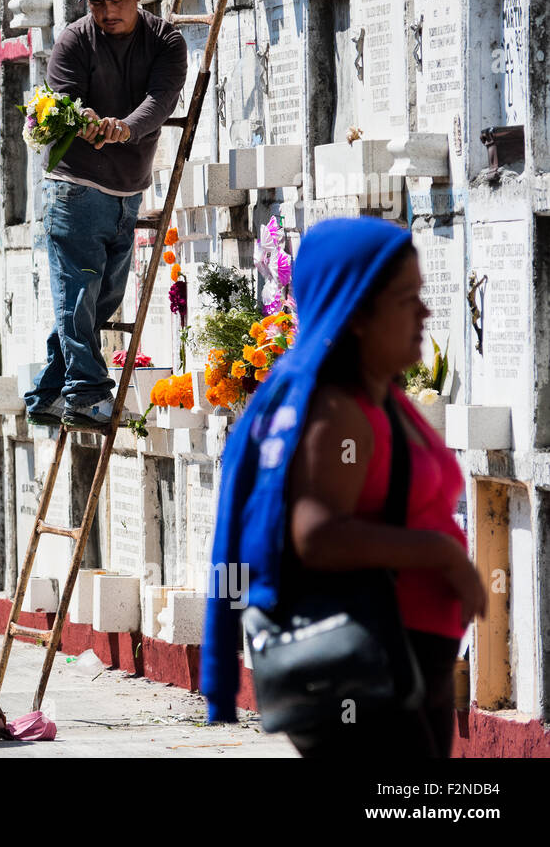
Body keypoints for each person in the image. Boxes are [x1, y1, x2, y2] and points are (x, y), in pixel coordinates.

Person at [201, 218, 488, 758]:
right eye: (407, 299)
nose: (424, 313)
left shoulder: (382, 396)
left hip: (409, 658)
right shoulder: (336, 411)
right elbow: (317, 535)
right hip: (363, 668)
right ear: (357, 312)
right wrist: (443, 555)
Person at [24, 0, 188, 430]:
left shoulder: (166, 40)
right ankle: (88, 393)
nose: (105, 13)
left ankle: (46, 396)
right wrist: (85, 119)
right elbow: (65, 102)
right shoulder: (74, 39)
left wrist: (125, 128)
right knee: (78, 293)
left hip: (127, 187)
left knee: (103, 300)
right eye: (95, 4)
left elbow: (161, 100)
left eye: (114, 1)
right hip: (75, 189)